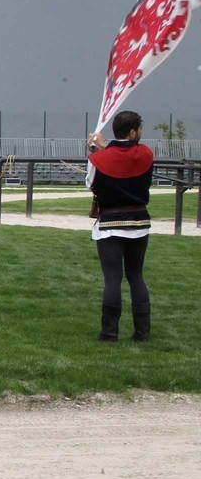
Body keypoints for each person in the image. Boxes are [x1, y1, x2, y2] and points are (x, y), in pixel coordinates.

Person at [87, 111, 154, 342]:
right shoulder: (146, 153)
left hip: (110, 225)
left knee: (112, 279)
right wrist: (105, 149)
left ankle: (109, 333)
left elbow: (91, 184)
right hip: (139, 222)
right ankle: (142, 332)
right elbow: (131, 162)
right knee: (136, 276)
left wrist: (100, 151)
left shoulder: (99, 159)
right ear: (133, 132)